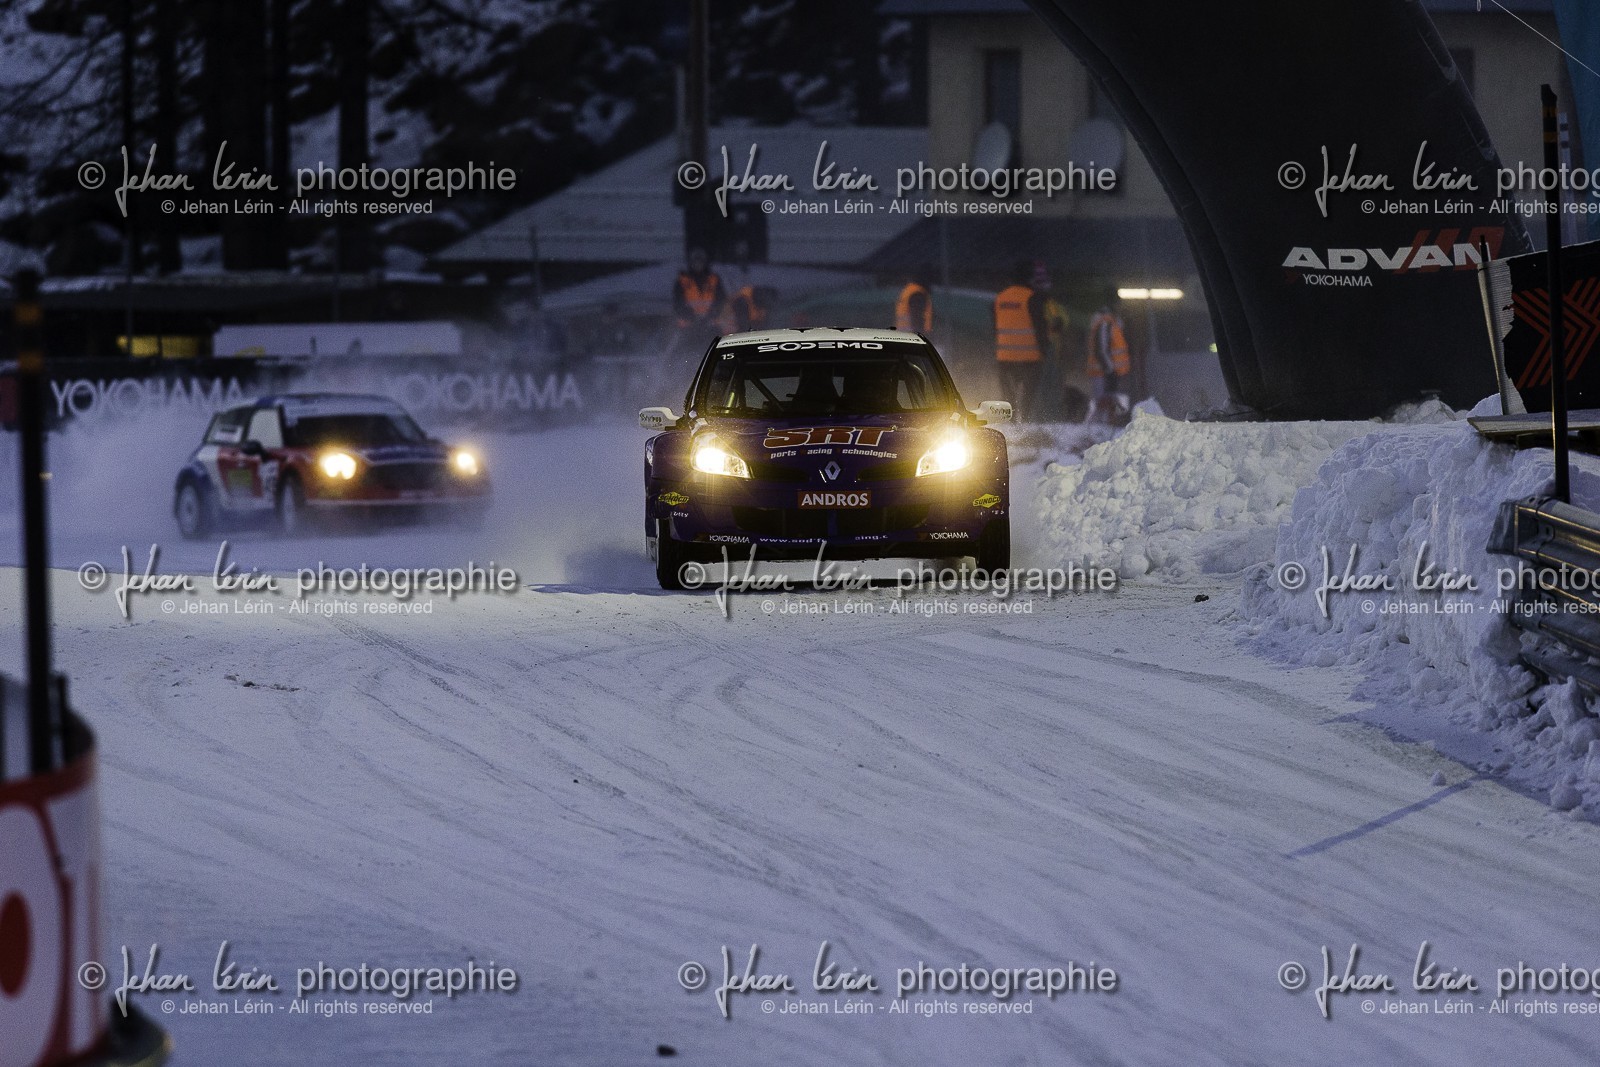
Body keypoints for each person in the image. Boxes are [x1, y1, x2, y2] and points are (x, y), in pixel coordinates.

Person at [992, 260, 1050, 420]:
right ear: (1029, 278)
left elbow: (995, 327)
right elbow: (1040, 327)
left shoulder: (1000, 298)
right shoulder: (1032, 298)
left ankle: (1010, 422)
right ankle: (1025, 421)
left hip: (1004, 357)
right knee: (1028, 394)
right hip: (1030, 358)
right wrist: (1045, 350)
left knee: (1009, 394)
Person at [1086, 290, 1131, 423]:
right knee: (1102, 405)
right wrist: (1110, 370)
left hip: (1109, 372)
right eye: (1118, 304)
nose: (1121, 307)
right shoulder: (1105, 322)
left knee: (1109, 405)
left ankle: (1108, 427)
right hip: (1103, 373)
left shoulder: (1112, 322)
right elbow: (1101, 349)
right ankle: (1096, 431)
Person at [672, 247, 726, 350]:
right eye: (695, 262)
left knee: (713, 352)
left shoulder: (714, 280)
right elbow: (678, 303)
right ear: (691, 263)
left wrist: (711, 316)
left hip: (710, 326)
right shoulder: (683, 281)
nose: (698, 265)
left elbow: (721, 301)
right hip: (688, 327)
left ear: (705, 263)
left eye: (700, 261)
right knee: (684, 354)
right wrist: (691, 317)